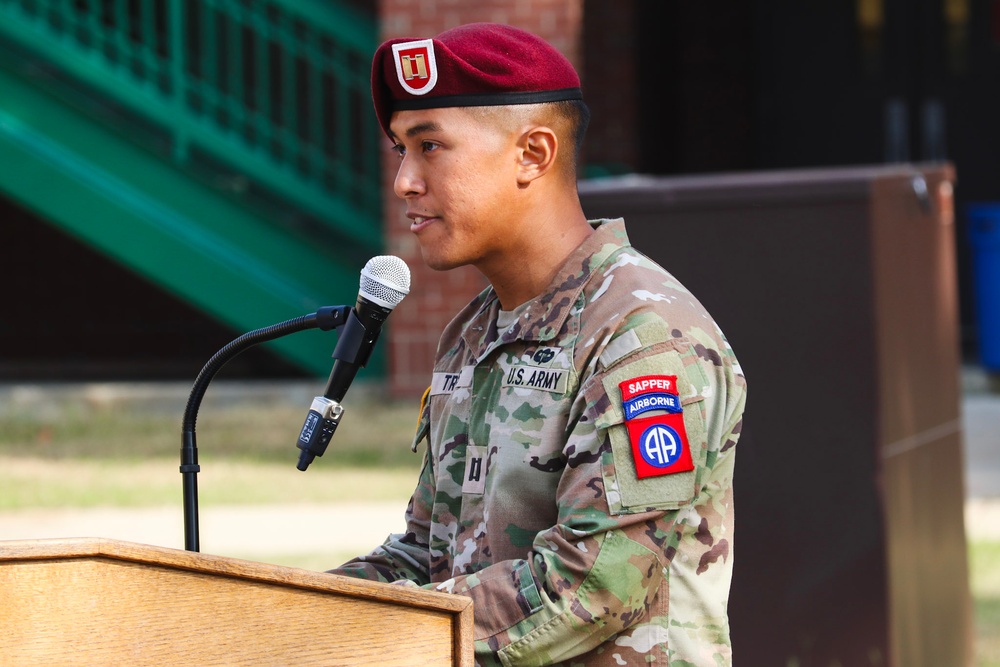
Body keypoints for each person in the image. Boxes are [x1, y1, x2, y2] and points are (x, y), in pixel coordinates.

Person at [327, 22, 748, 666]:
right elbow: (427, 551)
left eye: (431, 146)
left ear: (533, 153)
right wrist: (292, 614)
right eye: (400, 151)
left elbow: (591, 583)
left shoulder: (642, 337)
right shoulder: (474, 333)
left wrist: (372, 643)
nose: (404, 182)